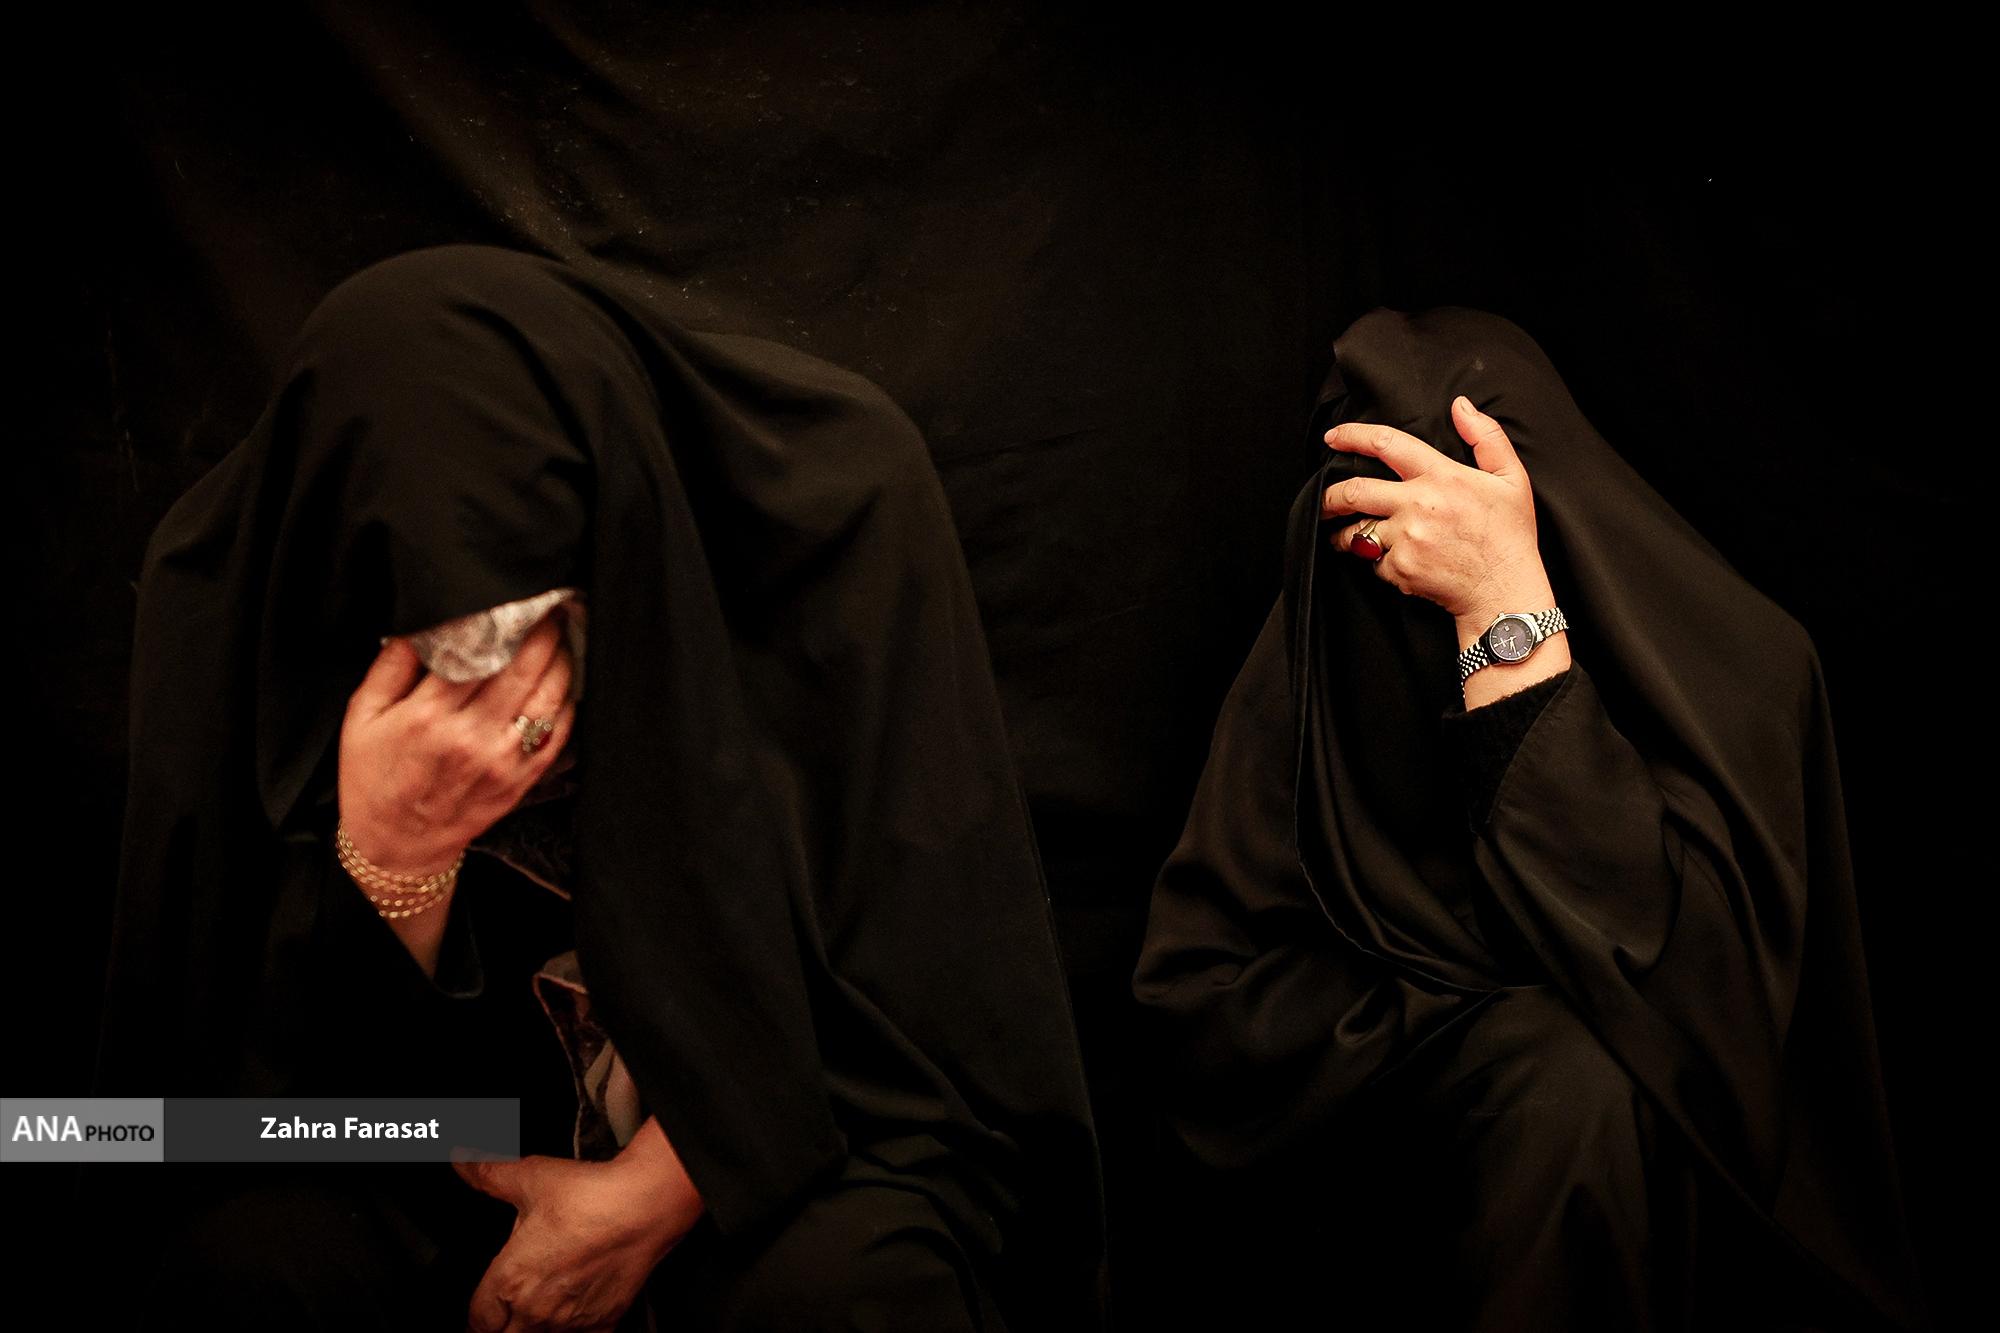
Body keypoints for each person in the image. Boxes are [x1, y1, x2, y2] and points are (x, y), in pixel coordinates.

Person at [95, 244, 1106, 1331]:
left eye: (545, 638)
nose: (500, 720)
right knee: (247, 1265)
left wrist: (666, 1182)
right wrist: (392, 860)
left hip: (780, 1126)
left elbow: (938, 1017)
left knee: (850, 1288)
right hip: (430, 1135)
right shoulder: (232, 605)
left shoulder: (831, 515)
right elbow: (167, 1122)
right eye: (438, 661)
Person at [1131, 307, 1926, 1330]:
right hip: (1362, 1219)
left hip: (1654, 1215)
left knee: (1577, 1094)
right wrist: (1485, 1007)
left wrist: (1504, 613)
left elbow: (1687, 996)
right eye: (1381, 550)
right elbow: (1206, 1014)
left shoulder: (1744, 684)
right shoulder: (1320, 661)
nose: (1402, 588)